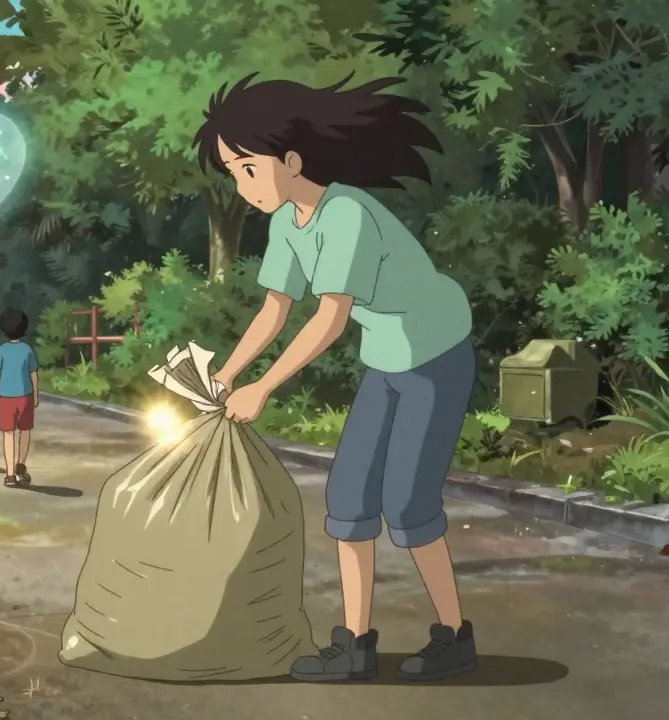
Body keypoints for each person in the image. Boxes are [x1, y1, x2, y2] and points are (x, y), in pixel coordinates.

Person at [192, 73, 478, 683]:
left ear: (291, 159)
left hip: (433, 354)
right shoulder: (287, 224)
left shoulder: (344, 213)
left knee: (407, 506)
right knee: (348, 501)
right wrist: (225, 371)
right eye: (232, 174)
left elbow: (329, 316)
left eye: (247, 169)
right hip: (386, 357)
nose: (241, 187)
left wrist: (262, 389)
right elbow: (275, 309)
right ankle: (355, 643)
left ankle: (455, 635)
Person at [0, 307, 38, 488]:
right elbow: (33, 374)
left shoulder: (1, 350)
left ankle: (9, 474)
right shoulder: (27, 350)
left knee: (8, 434)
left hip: (6, 398)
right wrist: (36, 394)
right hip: (25, 396)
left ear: (3, 330)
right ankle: (21, 464)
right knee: (25, 431)